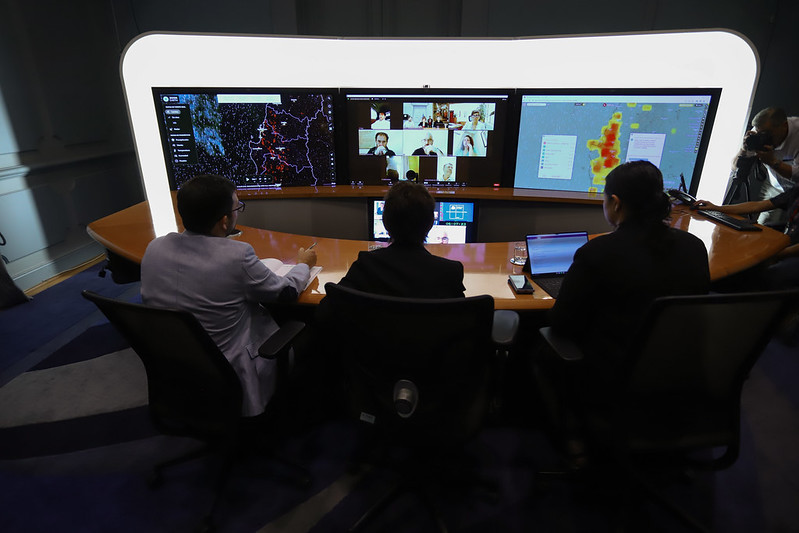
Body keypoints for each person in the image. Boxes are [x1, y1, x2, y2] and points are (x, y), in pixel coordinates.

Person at [140, 174, 317, 417]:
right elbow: (286, 293)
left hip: (175, 365)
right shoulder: (237, 255)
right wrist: (303, 265)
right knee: (314, 333)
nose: (237, 213)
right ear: (224, 221)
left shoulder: (154, 248)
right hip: (229, 371)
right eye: (237, 208)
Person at [549, 161, 710, 377]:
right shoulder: (694, 246)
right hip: (679, 370)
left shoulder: (598, 252)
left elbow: (562, 324)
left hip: (611, 374)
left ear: (616, 203)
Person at [329, 181, 465, 298]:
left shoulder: (366, 265)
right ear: (430, 224)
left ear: (385, 222)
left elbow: (327, 309)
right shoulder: (450, 272)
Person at [692, 188, 799, 288]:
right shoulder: (796, 191)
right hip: (786, 245)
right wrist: (717, 208)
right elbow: (758, 206)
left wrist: (776, 254)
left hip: (793, 255)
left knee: (765, 275)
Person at [734, 108, 799, 225]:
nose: (764, 138)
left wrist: (772, 162)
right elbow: (735, 167)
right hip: (775, 186)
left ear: (784, 125)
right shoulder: (758, 132)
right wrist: (743, 150)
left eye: (768, 133)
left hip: (796, 190)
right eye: (760, 133)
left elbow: (797, 176)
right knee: (763, 226)